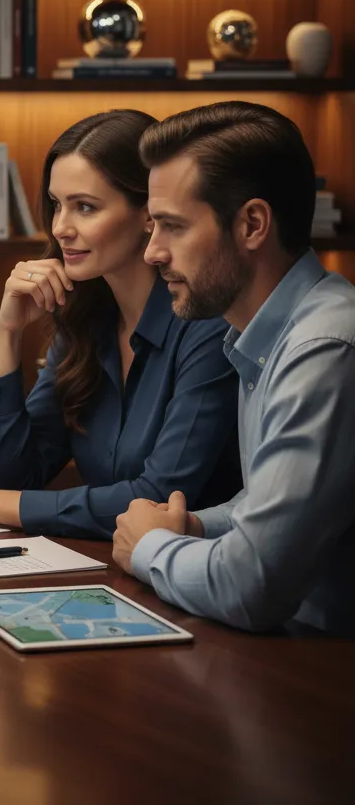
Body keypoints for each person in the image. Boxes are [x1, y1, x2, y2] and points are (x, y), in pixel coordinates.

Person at [0, 109, 240, 539]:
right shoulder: (85, 322)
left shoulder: (207, 325)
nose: (61, 228)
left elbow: (160, 499)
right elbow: (11, 478)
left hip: (195, 571)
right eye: (56, 205)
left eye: (85, 207)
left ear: (150, 213)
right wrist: (6, 334)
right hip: (116, 565)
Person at [112, 101, 355, 635]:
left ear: (252, 224)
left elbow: (251, 584)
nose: (152, 252)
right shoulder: (266, 333)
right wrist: (192, 526)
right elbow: (263, 502)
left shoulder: (324, 350)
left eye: (173, 227)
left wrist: (151, 545)